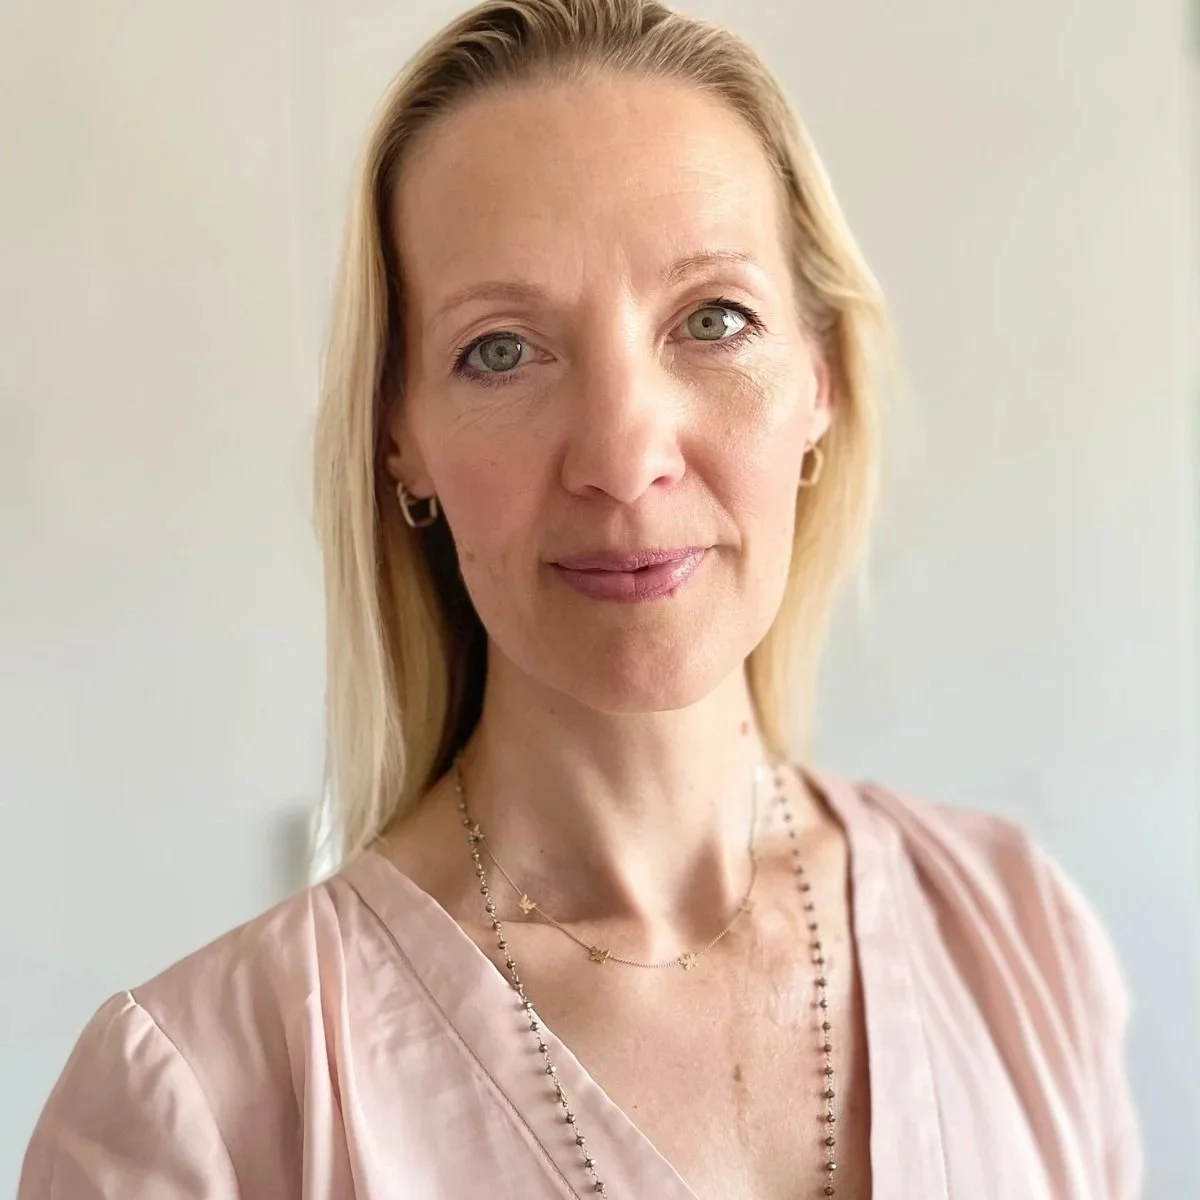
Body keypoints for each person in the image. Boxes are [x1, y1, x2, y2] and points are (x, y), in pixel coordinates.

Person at [19, 1, 1142, 1197]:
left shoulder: (1019, 940)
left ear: (819, 380)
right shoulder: (201, 1109)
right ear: (400, 436)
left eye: (714, 320)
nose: (622, 456)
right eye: (501, 350)